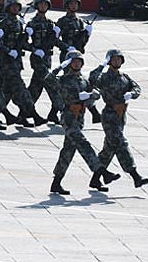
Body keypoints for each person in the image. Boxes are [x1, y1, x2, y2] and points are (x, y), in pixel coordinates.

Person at [43, 51, 113, 194]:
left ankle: (56, 183)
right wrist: (61, 67)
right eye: (73, 61)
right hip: (68, 117)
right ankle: (101, 172)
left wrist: (92, 95)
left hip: (79, 117)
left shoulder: (83, 80)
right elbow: (48, 79)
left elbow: (95, 92)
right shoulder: (63, 80)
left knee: (68, 151)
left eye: (79, 61)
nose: (77, 64)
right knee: (84, 144)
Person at [88, 49, 148, 189]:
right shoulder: (104, 77)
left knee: (109, 149)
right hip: (110, 115)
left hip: (121, 116)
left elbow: (137, 88)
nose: (117, 62)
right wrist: (101, 65)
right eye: (114, 59)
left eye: (119, 59)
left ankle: (96, 179)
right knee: (121, 144)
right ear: (109, 61)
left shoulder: (124, 77)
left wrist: (131, 94)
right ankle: (135, 176)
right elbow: (92, 78)